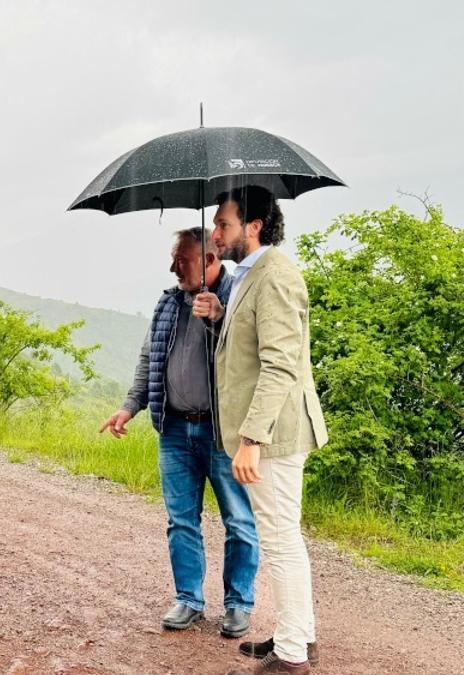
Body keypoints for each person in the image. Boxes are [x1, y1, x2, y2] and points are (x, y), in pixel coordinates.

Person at [194, 186, 329, 675]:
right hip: (270, 431)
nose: (215, 234)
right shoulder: (251, 275)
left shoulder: (274, 275)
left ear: (253, 227)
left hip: (273, 434)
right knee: (282, 536)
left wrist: (251, 440)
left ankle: (292, 656)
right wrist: (220, 317)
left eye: (223, 224)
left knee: (280, 539)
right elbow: (252, 346)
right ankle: (299, 634)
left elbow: (279, 365)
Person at [103, 227, 259, 639]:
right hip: (173, 428)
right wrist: (129, 406)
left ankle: (238, 604)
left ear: (209, 260)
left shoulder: (238, 297)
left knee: (239, 520)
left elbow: (249, 356)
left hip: (223, 432)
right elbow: (150, 357)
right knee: (181, 521)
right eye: (174, 260)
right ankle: (189, 599)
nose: (174, 268)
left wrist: (219, 319)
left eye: (182, 261)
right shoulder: (169, 300)